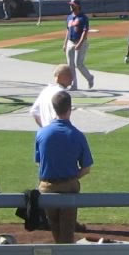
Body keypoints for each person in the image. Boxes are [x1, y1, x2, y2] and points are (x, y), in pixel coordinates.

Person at [34, 89, 92, 244]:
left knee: (55, 229)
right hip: (69, 186)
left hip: (46, 187)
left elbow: (39, 161)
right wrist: (73, 176)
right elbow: (86, 168)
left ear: (54, 108)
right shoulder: (77, 135)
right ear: (70, 108)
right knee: (67, 232)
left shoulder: (42, 133)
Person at [64, 0, 95, 88]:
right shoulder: (69, 17)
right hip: (70, 41)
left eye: (72, 5)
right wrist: (65, 43)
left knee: (79, 64)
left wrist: (80, 43)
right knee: (70, 64)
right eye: (70, 4)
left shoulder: (83, 17)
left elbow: (85, 31)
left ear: (78, 6)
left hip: (80, 42)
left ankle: (90, 78)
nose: (71, 6)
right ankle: (74, 85)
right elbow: (68, 30)